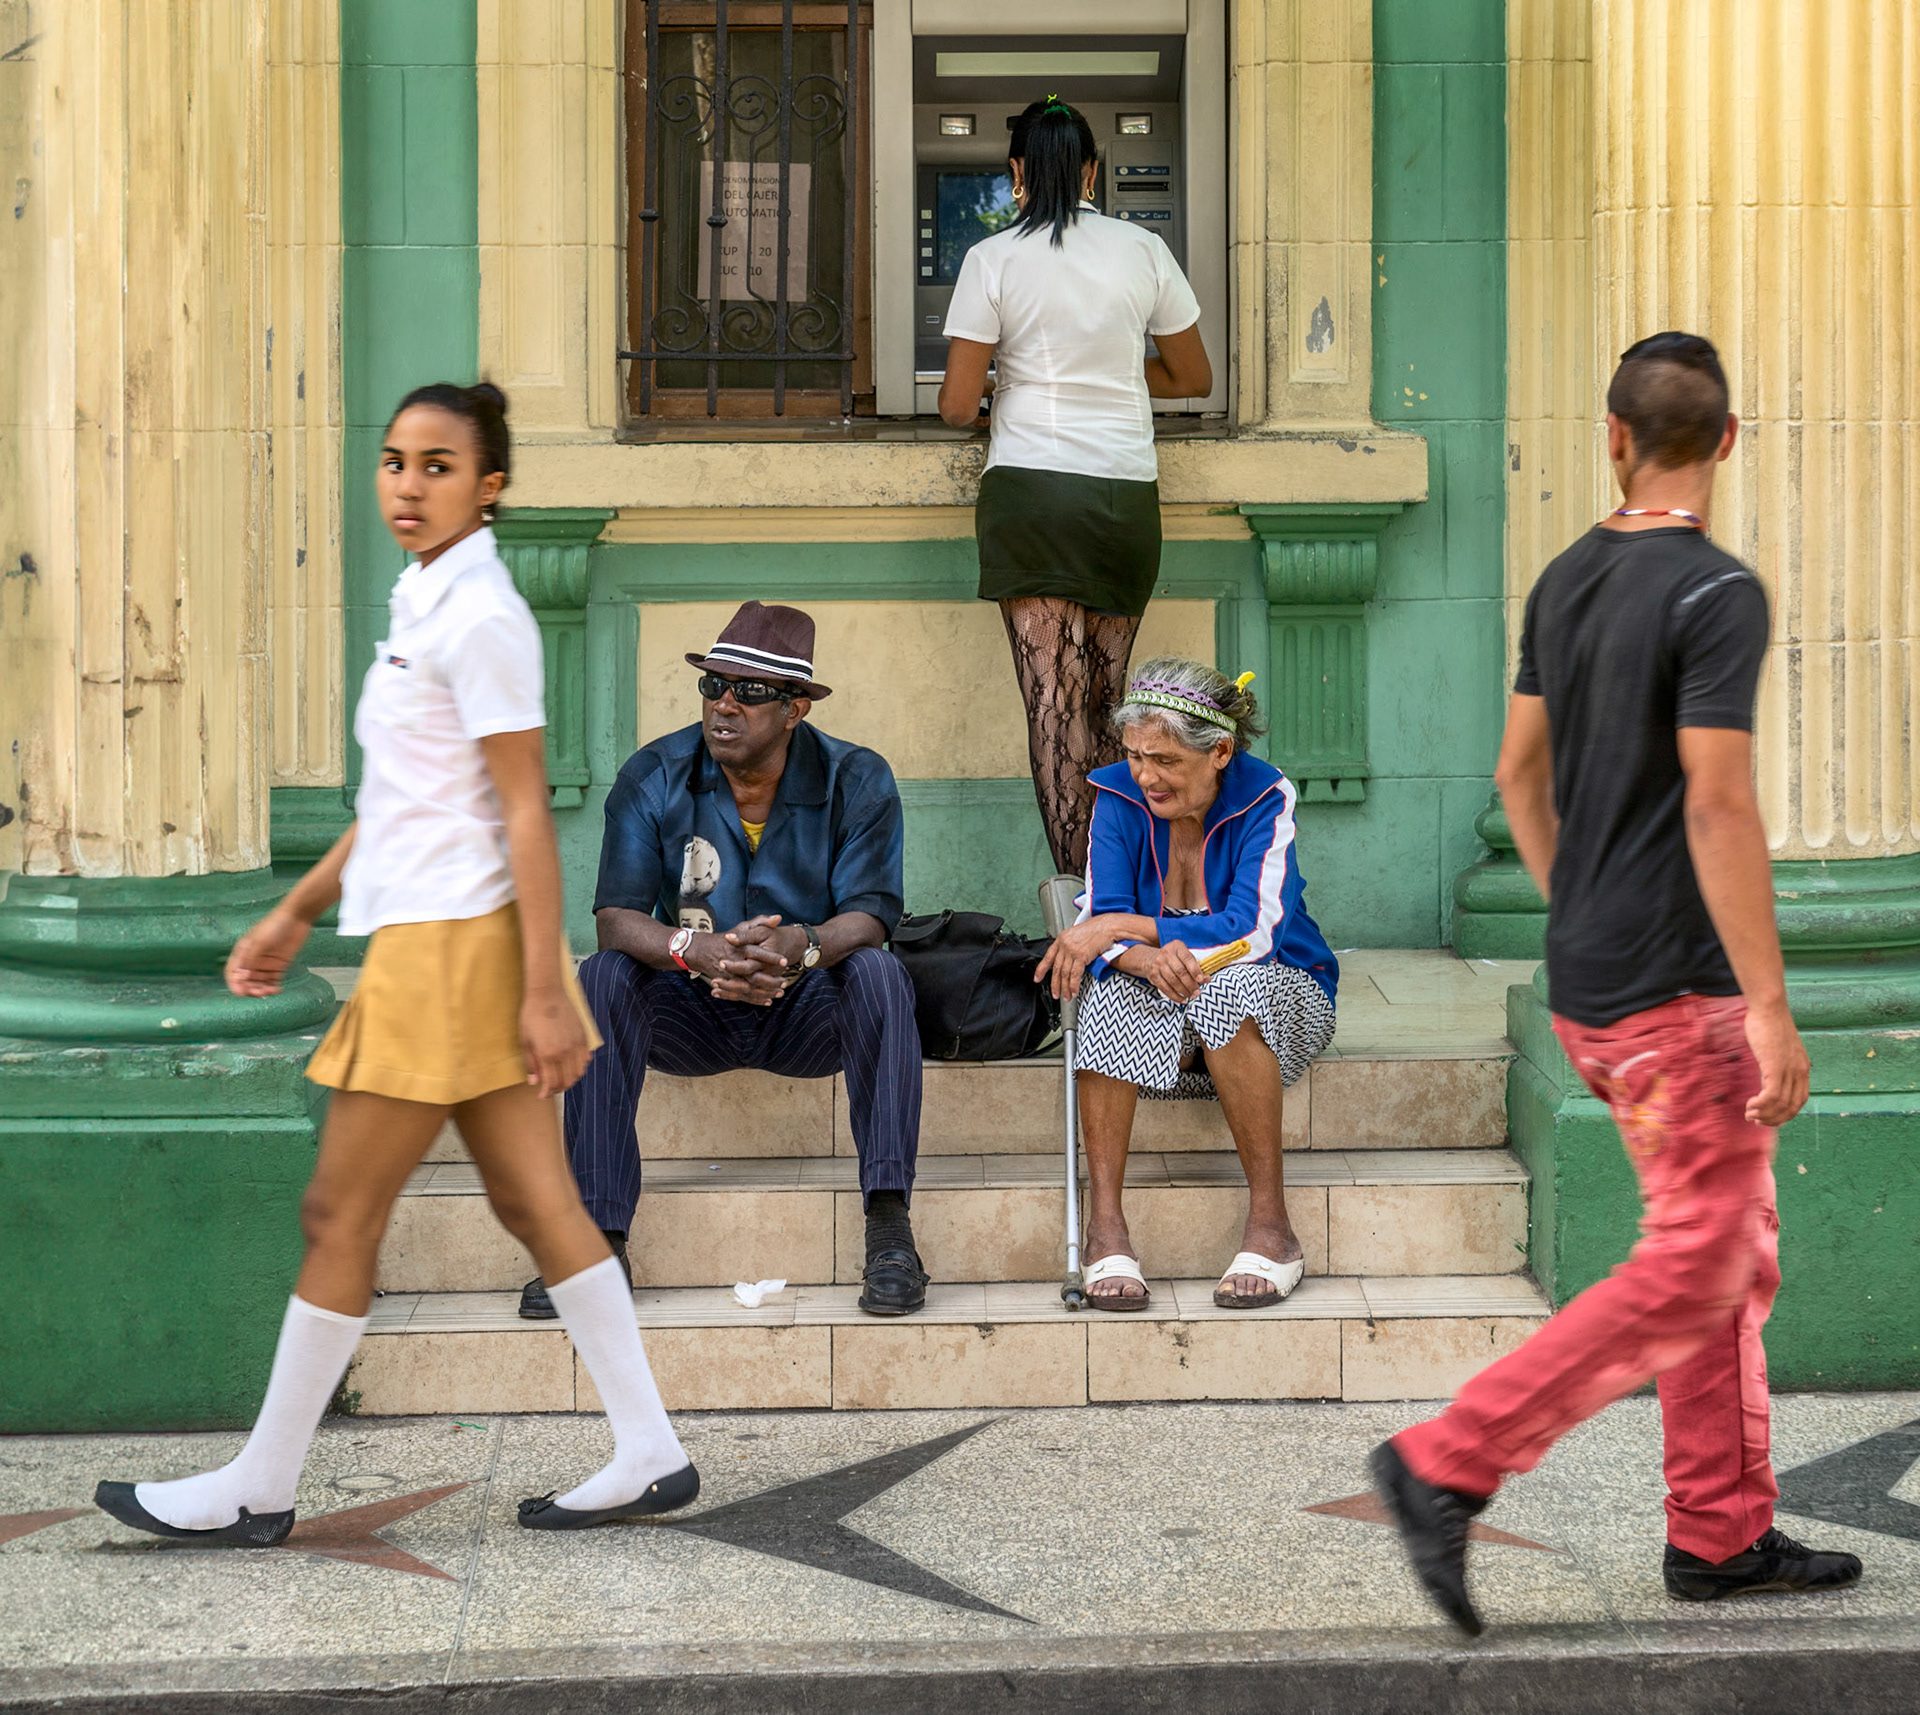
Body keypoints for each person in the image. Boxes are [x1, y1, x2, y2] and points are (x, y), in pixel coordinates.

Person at [95, 382, 698, 1543]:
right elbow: (402, 800)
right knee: (534, 1200)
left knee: (339, 1207)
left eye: (437, 465)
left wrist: (546, 989)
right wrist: (295, 910)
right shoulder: (425, 595)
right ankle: (649, 1448)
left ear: (490, 485)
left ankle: (261, 1482)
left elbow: (524, 810)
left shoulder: (483, 617)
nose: (408, 485)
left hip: (452, 949)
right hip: (437, 938)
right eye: (394, 461)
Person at [1371, 333, 1863, 1636]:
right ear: (1730, 439)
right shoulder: (1717, 592)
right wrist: (1771, 1003)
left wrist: (1576, 897)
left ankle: (1720, 1531)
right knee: (1700, 1260)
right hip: (1679, 991)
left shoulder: (1567, 576)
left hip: (1596, 972)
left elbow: (1516, 774)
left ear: (1614, 437)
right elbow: (1719, 801)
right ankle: (1449, 1458)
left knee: (1726, 1247)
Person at [517, 602, 927, 1320]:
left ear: (795, 708)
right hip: (691, 1009)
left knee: (881, 973)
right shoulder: (654, 773)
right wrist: (693, 951)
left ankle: (890, 1229)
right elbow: (615, 919)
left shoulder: (856, 778)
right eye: (714, 686)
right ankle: (596, 1243)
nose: (725, 705)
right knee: (602, 976)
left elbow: (870, 914)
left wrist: (801, 945)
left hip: (804, 1008)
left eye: (751, 691)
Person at [939, 96, 1213, 878]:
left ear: (1017, 173)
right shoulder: (1143, 250)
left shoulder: (992, 258)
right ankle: (1121, 898)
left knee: (1054, 713)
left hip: (1033, 495)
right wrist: (1115, 373)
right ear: (1093, 171)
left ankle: (1081, 907)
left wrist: (1011, 384)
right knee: (1104, 705)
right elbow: (1191, 375)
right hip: (1123, 499)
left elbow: (957, 405)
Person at [1036, 657, 1338, 1310]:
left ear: (1219, 752)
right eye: (1136, 755)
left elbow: (1253, 932)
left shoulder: (1266, 798)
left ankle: (1273, 1227)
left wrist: (1124, 928)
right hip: (1162, 1009)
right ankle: (1105, 1229)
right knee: (1107, 992)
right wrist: (1145, 958)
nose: (1145, 775)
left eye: (1165, 760)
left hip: (1279, 992)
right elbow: (1099, 924)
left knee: (1227, 986)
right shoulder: (1118, 797)